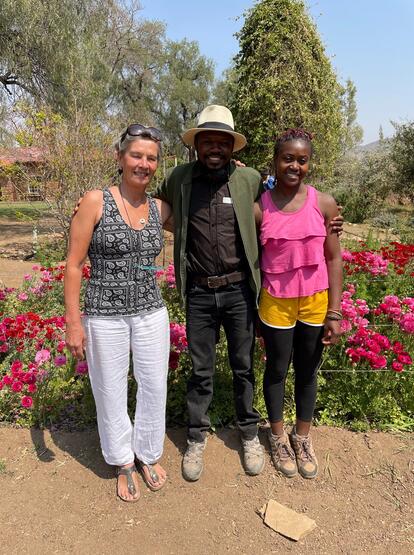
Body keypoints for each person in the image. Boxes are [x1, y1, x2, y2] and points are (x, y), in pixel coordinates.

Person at [154, 106, 343, 482]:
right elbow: (149, 201)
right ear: (196, 145)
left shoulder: (249, 180)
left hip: (240, 290)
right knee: (201, 370)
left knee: (245, 368)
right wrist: (102, 204)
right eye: (207, 140)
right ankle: (196, 438)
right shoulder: (179, 178)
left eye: (222, 142)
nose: (215, 148)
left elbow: (286, 200)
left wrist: (332, 218)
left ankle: (248, 435)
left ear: (230, 147)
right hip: (200, 293)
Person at [64, 124, 172, 502]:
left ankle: (148, 452)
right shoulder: (95, 201)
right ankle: (122, 460)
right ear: (120, 157)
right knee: (109, 389)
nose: (144, 164)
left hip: (150, 311)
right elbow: (74, 264)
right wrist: (74, 323)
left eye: (151, 158)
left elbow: (205, 214)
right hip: (104, 314)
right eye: (136, 155)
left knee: (154, 385)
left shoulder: (160, 208)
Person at [255, 128, 343, 480]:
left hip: (315, 300)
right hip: (276, 302)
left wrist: (334, 311)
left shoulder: (325, 204)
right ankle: (277, 436)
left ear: (310, 164)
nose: (294, 165)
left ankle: (302, 437)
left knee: (307, 371)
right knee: (277, 370)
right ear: (275, 162)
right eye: (287, 158)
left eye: (302, 160)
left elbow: (335, 260)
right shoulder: (259, 208)